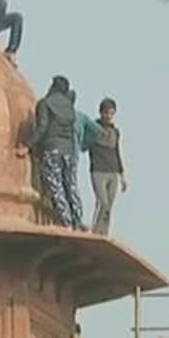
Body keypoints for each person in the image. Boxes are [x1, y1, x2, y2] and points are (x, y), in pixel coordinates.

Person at [24, 76, 103, 230]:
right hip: (69, 151)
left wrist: (28, 145)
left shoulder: (44, 104)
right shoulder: (69, 108)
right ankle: (77, 219)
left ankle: (65, 221)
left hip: (52, 148)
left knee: (56, 185)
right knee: (71, 184)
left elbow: (42, 128)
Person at [89, 97, 128, 236]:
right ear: (101, 113)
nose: (109, 116)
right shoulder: (93, 128)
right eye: (106, 113)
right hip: (98, 170)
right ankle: (94, 230)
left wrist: (122, 175)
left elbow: (117, 152)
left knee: (109, 207)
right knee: (102, 202)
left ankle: (103, 232)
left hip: (113, 171)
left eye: (111, 113)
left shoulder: (115, 132)